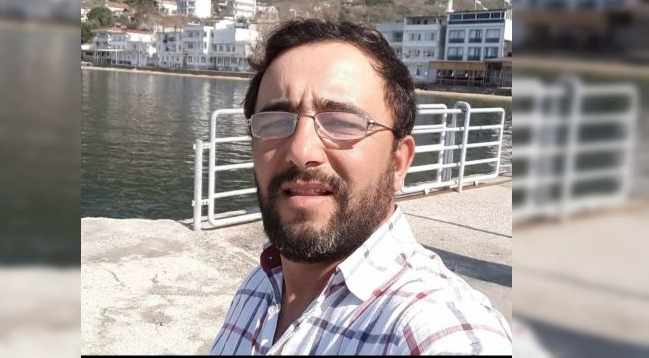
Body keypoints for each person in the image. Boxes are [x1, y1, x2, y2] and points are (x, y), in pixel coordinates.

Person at [210, 19, 511, 355]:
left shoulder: (433, 331)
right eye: (276, 122)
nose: (301, 151)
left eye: (342, 122)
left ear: (398, 163)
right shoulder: (259, 287)